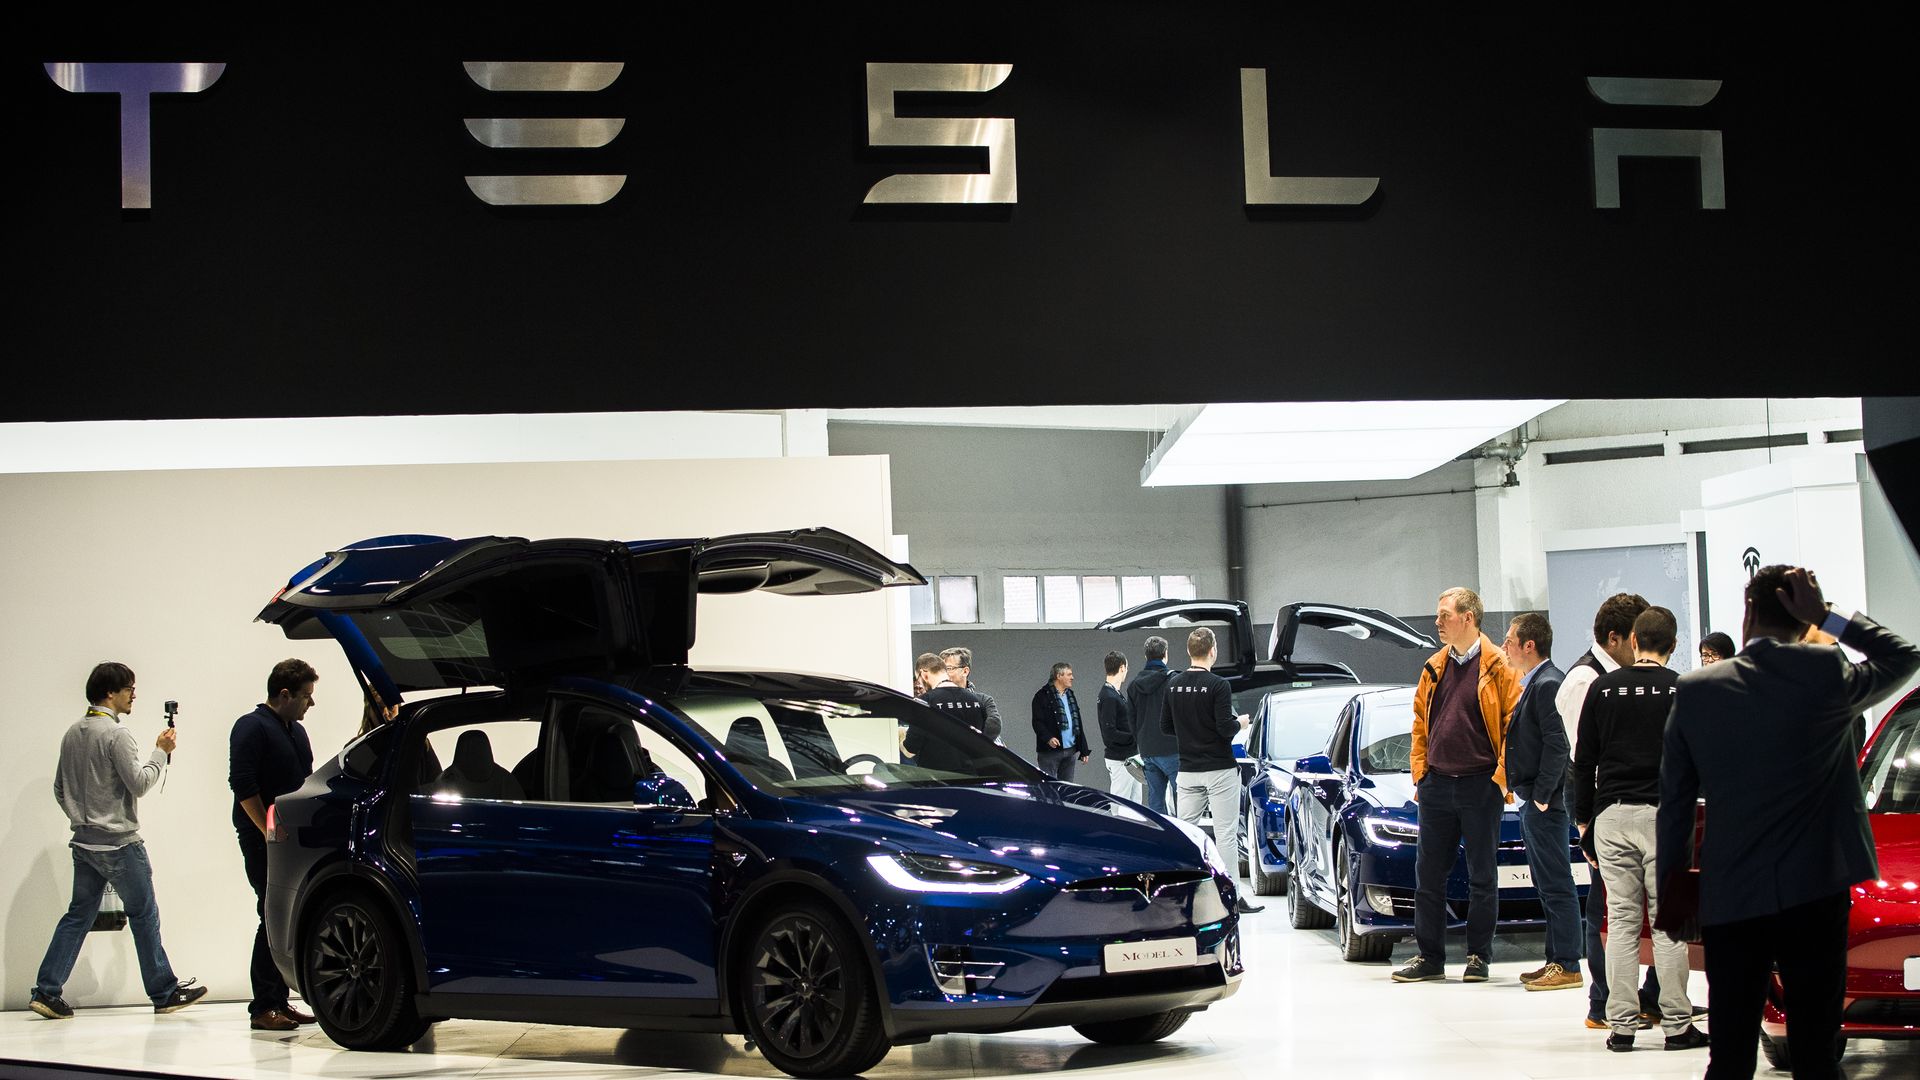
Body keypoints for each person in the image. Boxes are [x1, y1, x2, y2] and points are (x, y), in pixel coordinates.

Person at [1659, 566, 1920, 1080]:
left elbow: (1676, 803)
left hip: (1733, 892)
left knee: (1730, 1054)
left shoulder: (1697, 690)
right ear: (1803, 619)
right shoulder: (1824, 673)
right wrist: (1829, 616)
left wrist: (1673, 885)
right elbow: (1903, 656)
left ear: (1748, 611)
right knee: (1815, 1052)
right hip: (1817, 890)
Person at [29, 663, 208, 1020]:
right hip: (120, 845)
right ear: (111, 693)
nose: (133, 695)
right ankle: (164, 992)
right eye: (129, 688)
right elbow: (139, 783)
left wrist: (83, 818)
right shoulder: (117, 734)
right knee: (144, 914)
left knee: (78, 916)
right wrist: (161, 752)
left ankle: (46, 991)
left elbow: (59, 789)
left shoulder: (72, 733)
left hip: (84, 844)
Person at [1570, 607, 1706, 1052]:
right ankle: (1677, 1026)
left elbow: (1583, 761)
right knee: (1668, 926)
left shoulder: (1603, 688)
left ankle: (1622, 1027)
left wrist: (1584, 822)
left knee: (1623, 924)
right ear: (1673, 644)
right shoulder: (1684, 690)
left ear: (1633, 640)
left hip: (1612, 817)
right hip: (1667, 818)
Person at [1393, 586, 1520, 984]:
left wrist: (1500, 779)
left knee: (1483, 876)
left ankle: (1479, 956)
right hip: (1437, 786)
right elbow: (1419, 724)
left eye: (1444, 615)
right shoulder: (1434, 666)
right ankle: (1430, 958)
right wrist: (1421, 773)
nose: (1437, 622)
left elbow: (1512, 725)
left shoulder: (1499, 665)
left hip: (1481, 785)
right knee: (1429, 877)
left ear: (1468, 618)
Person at [1557, 592, 1659, 1026]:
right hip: (1601, 800)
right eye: (1635, 639)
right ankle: (1602, 1001)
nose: (1640, 649)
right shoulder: (1584, 680)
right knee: (1608, 903)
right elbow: (1588, 757)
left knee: (1643, 904)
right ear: (1614, 638)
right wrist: (1589, 821)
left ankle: (1648, 998)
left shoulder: (1619, 677)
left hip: (1623, 797)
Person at [229, 659, 319, 1031]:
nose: (311, 703)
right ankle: (263, 1006)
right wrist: (268, 830)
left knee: (286, 915)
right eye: (306, 696)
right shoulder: (251, 727)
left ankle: (279, 1000)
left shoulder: (296, 732)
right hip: (262, 839)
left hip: (290, 839)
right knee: (270, 914)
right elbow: (243, 785)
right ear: (285, 694)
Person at [1500, 612, 1583, 992]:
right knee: (1546, 882)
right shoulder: (1536, 682)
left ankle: (1567, 964)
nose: (1505, 647)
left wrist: (1543, 797)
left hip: (1542, 802)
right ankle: (1555, 960)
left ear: (1529, 645)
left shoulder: (1548, 683)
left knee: (1556, 883)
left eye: (1510, 641)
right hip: (1533, 799)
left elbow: (1558, 744)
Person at [1162, 627, 1262, 915]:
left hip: (1188, 769)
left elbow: (1166, 726)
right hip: (1219, 768)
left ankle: (1183, 895)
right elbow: (1225, 728)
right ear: (1212, 651)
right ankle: (1232, 897)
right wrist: (1241, 723)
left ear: (1189, 651)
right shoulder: (1218, 685)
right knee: (1225, 834)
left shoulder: (1173, 685)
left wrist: (1190, 733)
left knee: (1186, 834)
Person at [1127, 636, 1180, 815]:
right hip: (1173, 749)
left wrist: (1142, 741)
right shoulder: (1174, 680)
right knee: (1182, 800)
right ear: (1165, 654)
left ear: (1146, 656)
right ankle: (1182, 832)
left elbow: (1131, 720)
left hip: (1148, 751)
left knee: (1156, 801)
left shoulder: (1133, 686)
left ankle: (1160, 832)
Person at [1029, 662, 1089, 780]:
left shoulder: (1070, 695)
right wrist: (1048, 738)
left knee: (1067, 787)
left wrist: (1084, 749)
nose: (1072, 677)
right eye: (1069, 674)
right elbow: (1037, 722)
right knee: (1049, 787)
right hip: (1050, 753)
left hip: (1070, 751)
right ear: (1059, 676)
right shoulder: (1041, 696)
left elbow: (1077, 722)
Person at [1097, 650, 1141, 801]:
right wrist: (1134, 737)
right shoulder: (1109, 696)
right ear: (1122, 667)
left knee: (1135, 802)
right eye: (1126, 668)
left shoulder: (1114, 693)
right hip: (1121, 759)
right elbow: (1109, 733)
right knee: (1121, 802)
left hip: (1129, 756)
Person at [940, 647, 1003, 741]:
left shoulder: (984, 700)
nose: (943, 674)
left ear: (965, 671)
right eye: (941, 669)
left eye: (949, 668)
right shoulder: (934, 699)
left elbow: (994, 726)